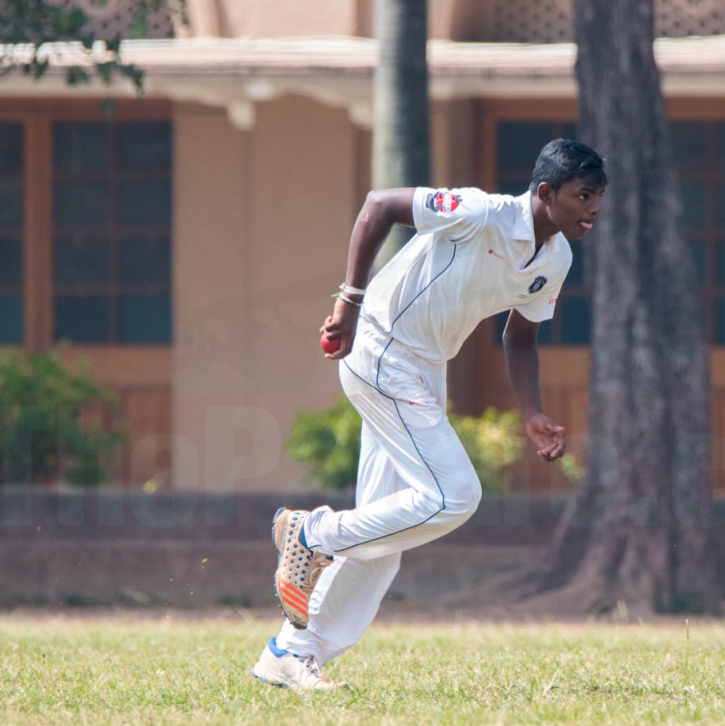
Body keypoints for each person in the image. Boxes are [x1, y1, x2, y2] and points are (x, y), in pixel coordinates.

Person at [252, 139, 607, 690]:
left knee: (385, 540)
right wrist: (349, 301)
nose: (594, 209)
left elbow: (520, 335)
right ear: (545, 192)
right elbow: (379, 206)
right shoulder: (480, 212)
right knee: (454, 495)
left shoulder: (556, 258)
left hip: (426, 368)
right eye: (584, 196)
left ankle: (291, 652)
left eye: (599, 197)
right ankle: (312, 531)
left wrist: (532, 411)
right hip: (382, 349)